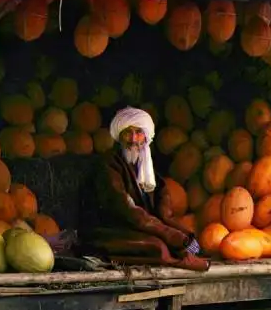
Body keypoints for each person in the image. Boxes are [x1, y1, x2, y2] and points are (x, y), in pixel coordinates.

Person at [88, 106, 208, 271]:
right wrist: (167, 233)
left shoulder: (145, 165)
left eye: (138, 133)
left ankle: (187, 254)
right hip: (116, 229)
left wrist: (174, 229)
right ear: (119, 136)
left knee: (184, 238)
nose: (133, 139)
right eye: (127, 133)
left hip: (146, 226)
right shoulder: (109, 164)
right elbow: (126, 209)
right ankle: (182, 261)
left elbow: (161, 197)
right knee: (158, 247)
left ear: (146, 137)